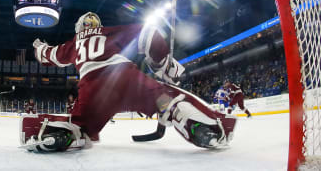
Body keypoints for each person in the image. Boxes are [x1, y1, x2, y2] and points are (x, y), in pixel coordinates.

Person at [21, 12, 237, 152]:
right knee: (167, 101)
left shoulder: (73, 43)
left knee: (83, 127)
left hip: (93, 90)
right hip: (126, 79)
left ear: (79, 28)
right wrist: (162, 63)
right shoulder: (109, 32)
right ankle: (193, 122)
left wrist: (39, 47)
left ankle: (63, 134)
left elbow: (48, 56)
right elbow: (148, 33)